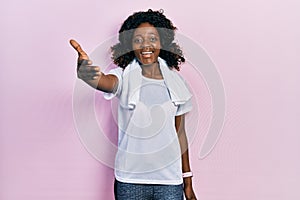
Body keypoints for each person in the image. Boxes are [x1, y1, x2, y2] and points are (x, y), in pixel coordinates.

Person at [70, 9, 197, 200]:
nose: (146, 45)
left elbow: (180, 135)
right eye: (138, 40)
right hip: (129, 180)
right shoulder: (123, 77)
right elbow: (104, 82)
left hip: (169, 181)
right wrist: (86, 72)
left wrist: (188, 182)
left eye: (152, 38)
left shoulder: (178, 84)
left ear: (162, 42)